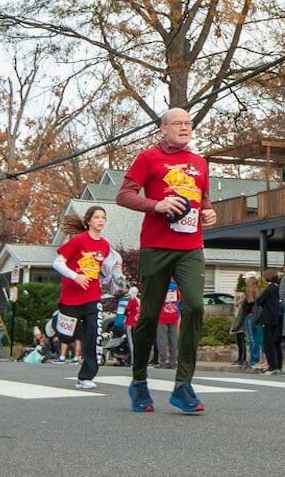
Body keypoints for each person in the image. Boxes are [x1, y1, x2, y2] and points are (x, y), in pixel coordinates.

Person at [116, 107, 216, 414]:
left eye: (188, 124)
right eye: (177, 124)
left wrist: (210, 212)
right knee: (148, 316)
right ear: (163, 128)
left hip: (190, 247)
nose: (184, 128)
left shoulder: (199, 162)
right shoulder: (148, 158)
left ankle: (183, 385)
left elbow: (204, 199)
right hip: (157, 247)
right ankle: (139, 382)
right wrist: (157, 205)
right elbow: (124, 195)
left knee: (196, 306)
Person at [54, 205, 122, 388]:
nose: (101, 220)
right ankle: (56, 322)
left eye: (103, 218)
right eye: (97, 217)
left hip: (92, 296)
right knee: (66, 337)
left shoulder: (105, 245)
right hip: (71, 296)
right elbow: (57, 263)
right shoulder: (78, 241)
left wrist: (115, 274)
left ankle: (85, 377)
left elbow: (106, 271)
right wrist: (76, 277)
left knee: (93, 336)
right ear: (89, 221)